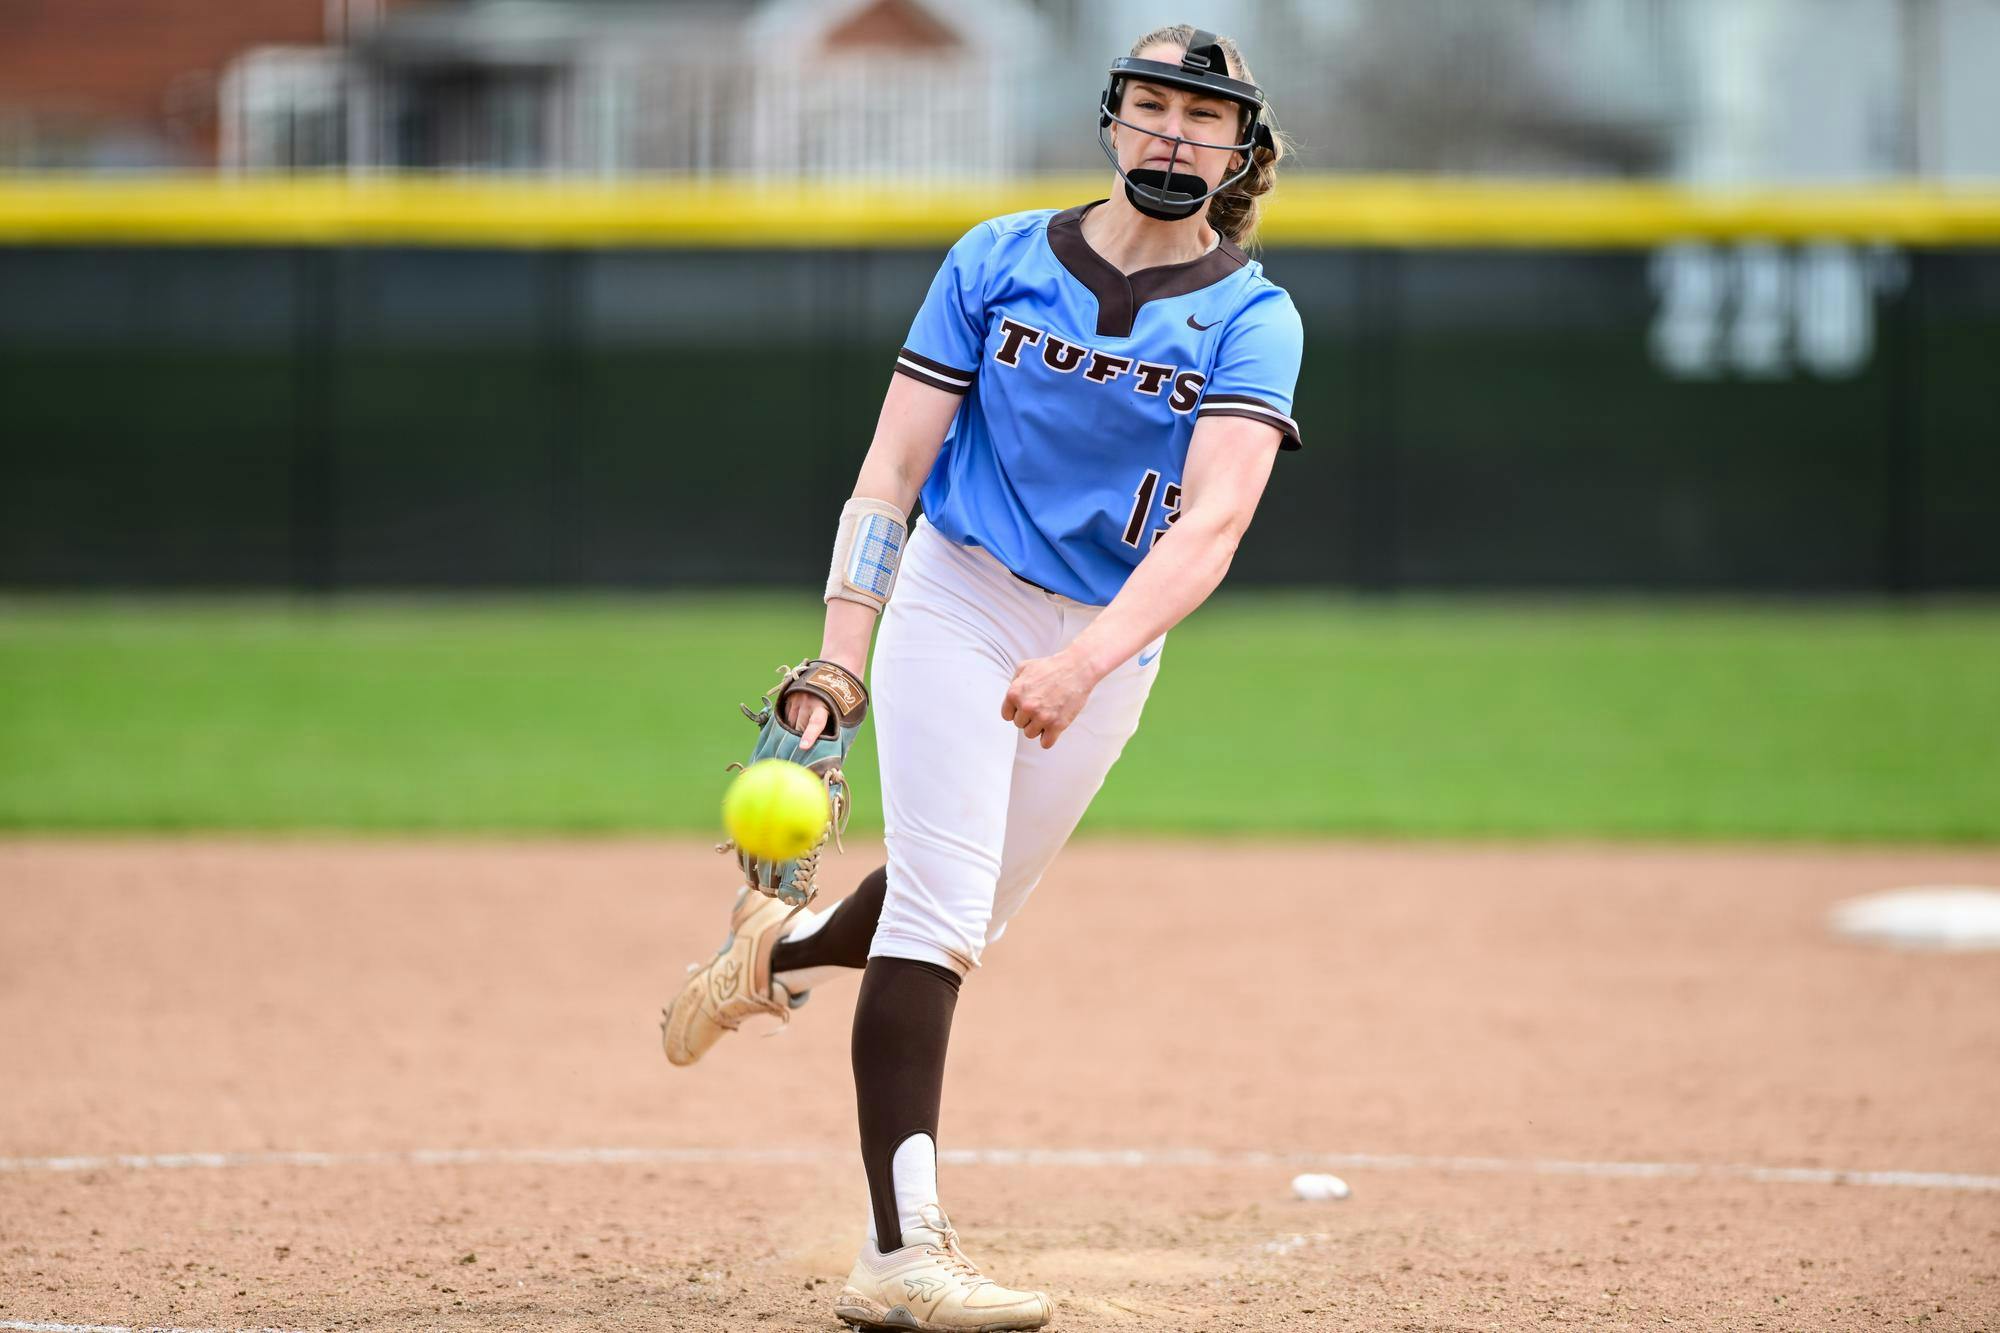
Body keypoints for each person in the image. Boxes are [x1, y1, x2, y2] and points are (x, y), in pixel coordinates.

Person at [661, 23, 1302, 1333]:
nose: (1174, 132)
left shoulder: (1252, 314)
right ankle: (900, 1256)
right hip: (957, 597)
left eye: (1205, 116)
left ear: (1241, 150)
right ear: (1112, 119)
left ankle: (773, 951)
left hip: (1106, 637)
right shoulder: (997, 258)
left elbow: (1214, 525)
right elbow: (891, 472)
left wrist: (1088, 655)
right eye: (1153, 105)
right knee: (943, 911)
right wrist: (842, 652)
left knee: (953, 911)